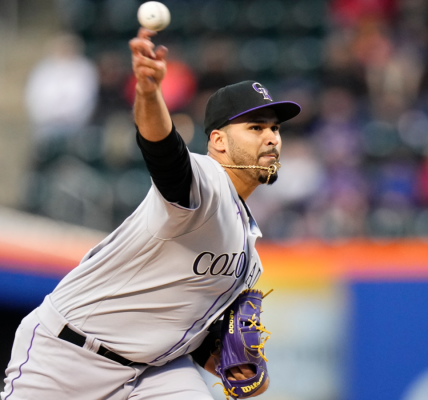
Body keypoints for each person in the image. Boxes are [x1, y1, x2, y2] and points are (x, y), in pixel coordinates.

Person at [1, 29, 300, 400]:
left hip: (155, 369)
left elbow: (187, 328)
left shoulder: (249, 256)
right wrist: (148, 92)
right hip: (69, 354)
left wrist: (229, 361)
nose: (272, 137)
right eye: (256, 127)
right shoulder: (205, 181)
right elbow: (163, 150)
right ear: (219, 141)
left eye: (275, 128)